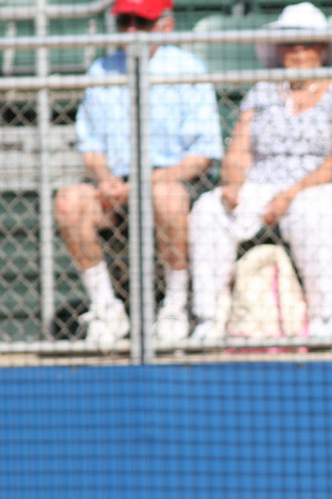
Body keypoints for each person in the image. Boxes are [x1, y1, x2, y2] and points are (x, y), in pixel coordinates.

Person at [187, 2, 332, 339]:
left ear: (323, 48)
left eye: (307, 43)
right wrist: (232, 185)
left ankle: (323, 318)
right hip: (262, 183)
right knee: (208, 207)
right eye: (290, 44)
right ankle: (208, 318)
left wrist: (289, 194)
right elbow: (240, 150)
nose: (298, 51)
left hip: (325, 186)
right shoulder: (262, 91)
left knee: (310, 210)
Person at [53, 0, 223, 346]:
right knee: (69, 201)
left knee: (167, 196)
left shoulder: (187, 68)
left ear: (166, 24)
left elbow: (203, 155)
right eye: (125, 21)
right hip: (115, 185)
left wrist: (145, 184)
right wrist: (106, 179)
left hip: (169, 182)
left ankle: (176, 306)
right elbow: (91, 145)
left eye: (141, 22)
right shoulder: (102, 70)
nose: (132, 30)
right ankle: (106, 308)